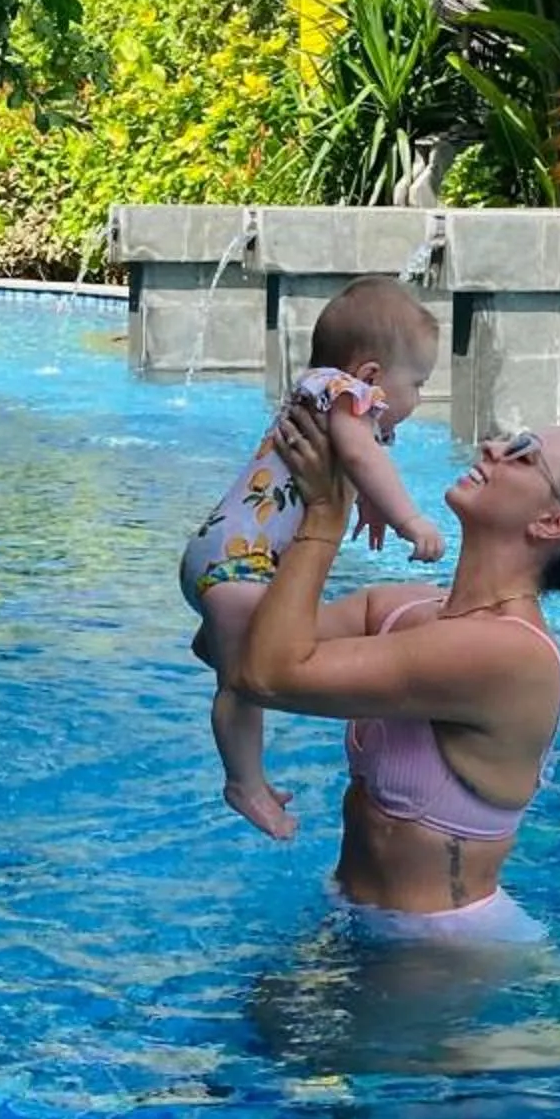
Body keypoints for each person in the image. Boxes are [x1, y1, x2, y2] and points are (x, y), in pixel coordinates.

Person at [237, 404, 560, 933]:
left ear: (553, 523)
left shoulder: (509, 654)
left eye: (523, 454)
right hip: (354, 915)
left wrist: (326, 513)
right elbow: (234, 650)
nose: (492, 447)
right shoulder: (405, 608)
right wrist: (272, 493)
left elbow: (268, 676)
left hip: (442, 952)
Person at [180, 276, 444, 842]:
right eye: (418, 383)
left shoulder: (328, 399)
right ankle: (243, 781)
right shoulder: (341, 395)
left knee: (257, 644)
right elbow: (358, 456)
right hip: (238, 567)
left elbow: (357, 459)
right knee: (243, 685)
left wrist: (367, 504)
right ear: (372, 376)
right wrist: (408, 520)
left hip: (228, 558)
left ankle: (218, 636)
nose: (419, 398)